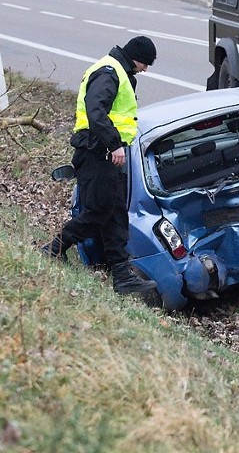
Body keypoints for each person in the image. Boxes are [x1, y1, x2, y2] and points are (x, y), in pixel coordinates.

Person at [41, 36, 158, 296]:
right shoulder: (109, 72)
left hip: (104, 152)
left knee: (115, 212)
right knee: (99, 210)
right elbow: (96, 111)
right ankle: (54, 248)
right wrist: (114, 144)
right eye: (145, 63)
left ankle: (122, 275)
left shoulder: (118, 71)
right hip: (96, 151)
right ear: (135, 56)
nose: (145, 69)